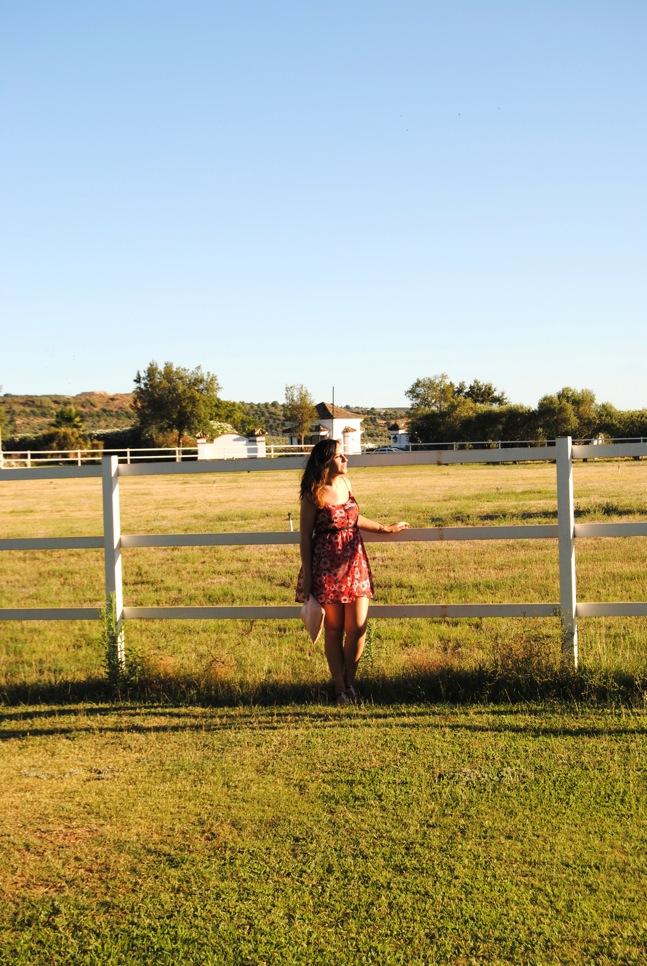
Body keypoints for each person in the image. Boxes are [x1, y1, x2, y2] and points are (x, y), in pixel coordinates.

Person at [296, 438, 409, 705]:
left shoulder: (346, 484)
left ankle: (350, 683)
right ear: (326, 462)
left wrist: (384, 528)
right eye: (339, 456)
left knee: (358, 628)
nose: (346, 459)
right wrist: (309, 578)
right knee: (334, 630)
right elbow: (304, 537)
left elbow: (354, 517)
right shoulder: (314, 493)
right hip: (327, 566)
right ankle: (340, 690)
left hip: (355, 562)